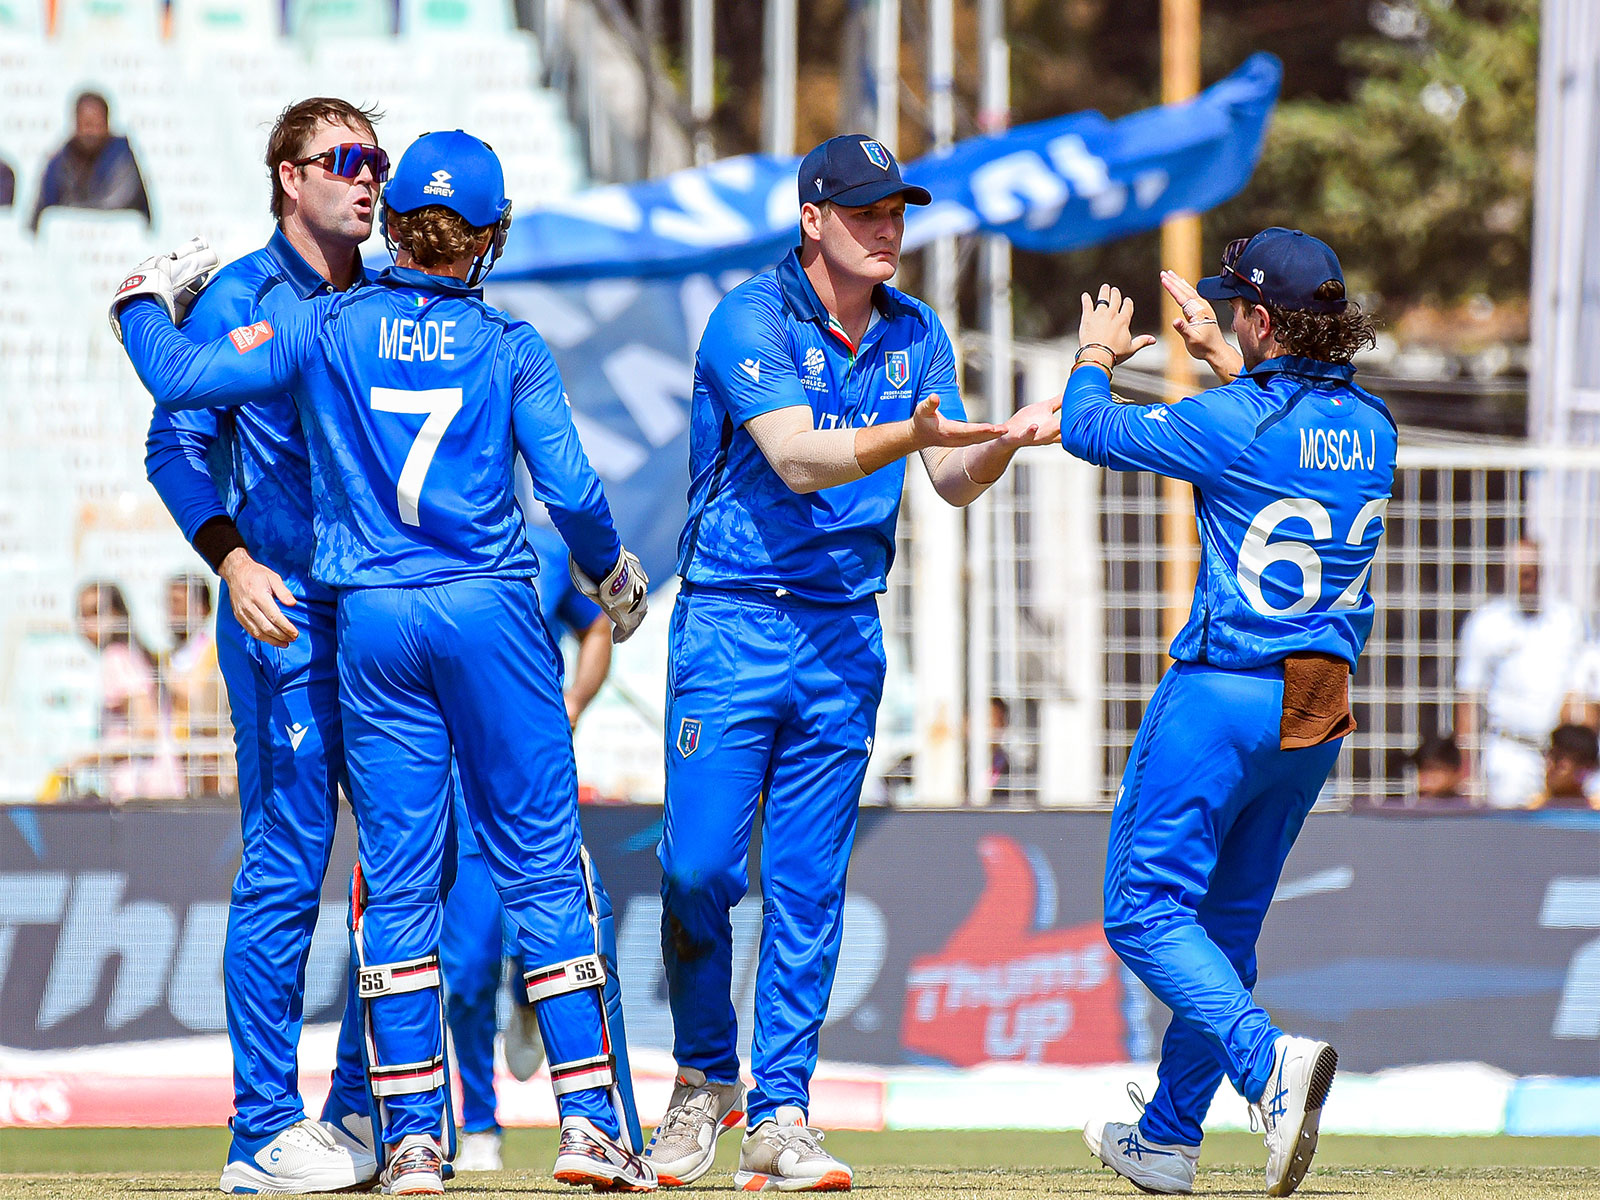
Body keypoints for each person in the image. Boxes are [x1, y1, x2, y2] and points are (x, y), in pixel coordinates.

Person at [114, 129, 655, 1196]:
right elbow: (574, 494)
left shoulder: (322, 327)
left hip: (368, 620)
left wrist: (137, 297)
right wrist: (615, 582)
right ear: (489, 238)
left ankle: (408, 1141)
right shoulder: (510, 344)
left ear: (396, 219)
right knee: (543, 865)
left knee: (397, 883)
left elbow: (175, 378)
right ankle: (589, 1127)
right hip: (490, 609)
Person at [647, 134, 1058, 1191]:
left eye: (898, 211)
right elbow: (795, 454)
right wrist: (909, 434)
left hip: (841, 630)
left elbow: (951, 476)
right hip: (734, 620)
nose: (888, 229)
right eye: (867, 211)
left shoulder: (916, 331)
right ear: (811, 220)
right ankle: (704, 1079)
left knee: (809, 887)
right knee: (697, 871)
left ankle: (779, 1112)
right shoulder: (750, 316)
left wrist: (1003, 437)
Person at [1068, 229, 1394, 1198]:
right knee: (1227, 929)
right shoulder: (1374, 423)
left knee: (1140, 911)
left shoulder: (1232, 420)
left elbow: (1093, 431)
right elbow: (1287, 430)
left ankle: (1264, 1067)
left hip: (1226, 688)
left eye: (1238, 311)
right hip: (1319, 697)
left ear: (1259, 318)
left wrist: (1095, 352)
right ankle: (1166, 1138)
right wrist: (1229, 362)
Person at [142, 97, 385, 1195]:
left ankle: (358, 1113)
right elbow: (173, 444)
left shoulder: (387, 298)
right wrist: (233, 563)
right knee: (288, 865)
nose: (368, 178)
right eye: (345, 160)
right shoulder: (240, 294)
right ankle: (259, 1133)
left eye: (375, 160)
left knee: (402, 871)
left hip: (381, 621)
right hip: (284, 615)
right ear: (290, 177)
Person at [440, 523, 617, 1173]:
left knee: (551, 927)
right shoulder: (411, 547)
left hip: (532, 770)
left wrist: (573, 702)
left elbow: (595, 625)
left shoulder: (539, 551)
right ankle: (480, 1121)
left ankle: (526, 1001)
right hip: (454, 776)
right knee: (462, 969)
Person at [1454, 539, 1590, 808]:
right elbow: (1468, 698)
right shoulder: (1487, 622)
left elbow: (1580, 690)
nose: (1528, 579)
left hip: (1559, 756)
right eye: (1521, 572)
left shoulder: (1567, 619)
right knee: (1510, 837)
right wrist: (1466, 770)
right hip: (1510, 752)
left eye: (1533, 571)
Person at [30, 91, 150, 232]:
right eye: (85, 124)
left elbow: (115, 205)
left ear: (107, 124)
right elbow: (41, 211)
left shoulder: (123, 157)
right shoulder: (61, 160)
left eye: (96, 124)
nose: (90, 132)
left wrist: (69, 212)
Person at [162, 572, 230, 794]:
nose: (172, 612)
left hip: (207, 765)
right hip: (171, 763)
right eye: (169, 603)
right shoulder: (166, 657)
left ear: (202, 609)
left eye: (178, 603)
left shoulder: (214, 655)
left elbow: (201, 704)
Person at [1528, 723, 1600, 811]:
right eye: (1548, 755)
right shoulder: (1532, 813)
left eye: (1557, 758)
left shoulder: (1594, 814)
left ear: (1583, 768)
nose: (1549, 765)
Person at [1408, 733, 1468, 807]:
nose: (1424, 777)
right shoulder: (1411, 811)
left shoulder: (1466, 814)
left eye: (1433, 769)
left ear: (1455, 772)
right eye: (1420, 769)